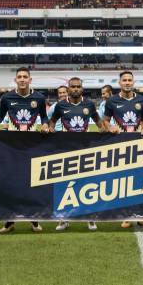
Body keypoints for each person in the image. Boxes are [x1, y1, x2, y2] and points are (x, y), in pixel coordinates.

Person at [0, 67, 49, 233]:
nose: (22, 79)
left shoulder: (39, 97)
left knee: (32, 183)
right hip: (12, 147)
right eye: (19, 77)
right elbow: (0, 115)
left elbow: (44, 116)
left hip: (32, 146)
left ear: (30, 80)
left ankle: (34, 219)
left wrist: (45, 124)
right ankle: (10, 220)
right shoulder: (7, 97)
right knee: (11, 183)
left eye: (25, 77)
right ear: (15, 80)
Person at [47, 77, 107, 231]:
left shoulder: (89, 104)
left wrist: (105, 129)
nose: (75, 89)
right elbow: (52, 122)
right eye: (72, 86)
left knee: (88, 185)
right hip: (65, 151)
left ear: (82, 88)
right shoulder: (60, 105)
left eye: (78, 86)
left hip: (85, 151)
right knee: (65, 185)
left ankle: (90, 217)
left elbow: (99, 123)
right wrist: (50, 128)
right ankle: (64, 219)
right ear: (68, 89)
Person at [103, 71, 143, 229]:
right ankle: (126, 216)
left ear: (133, 82)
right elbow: (105, 121)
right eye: (124, 80)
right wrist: (110, 126)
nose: (127, 82)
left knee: (142, 180)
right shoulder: (112, 101)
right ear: (119, 83)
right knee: (123, 181)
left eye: (129, 80)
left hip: (139, 145)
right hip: (120, 145)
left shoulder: (142, 100)